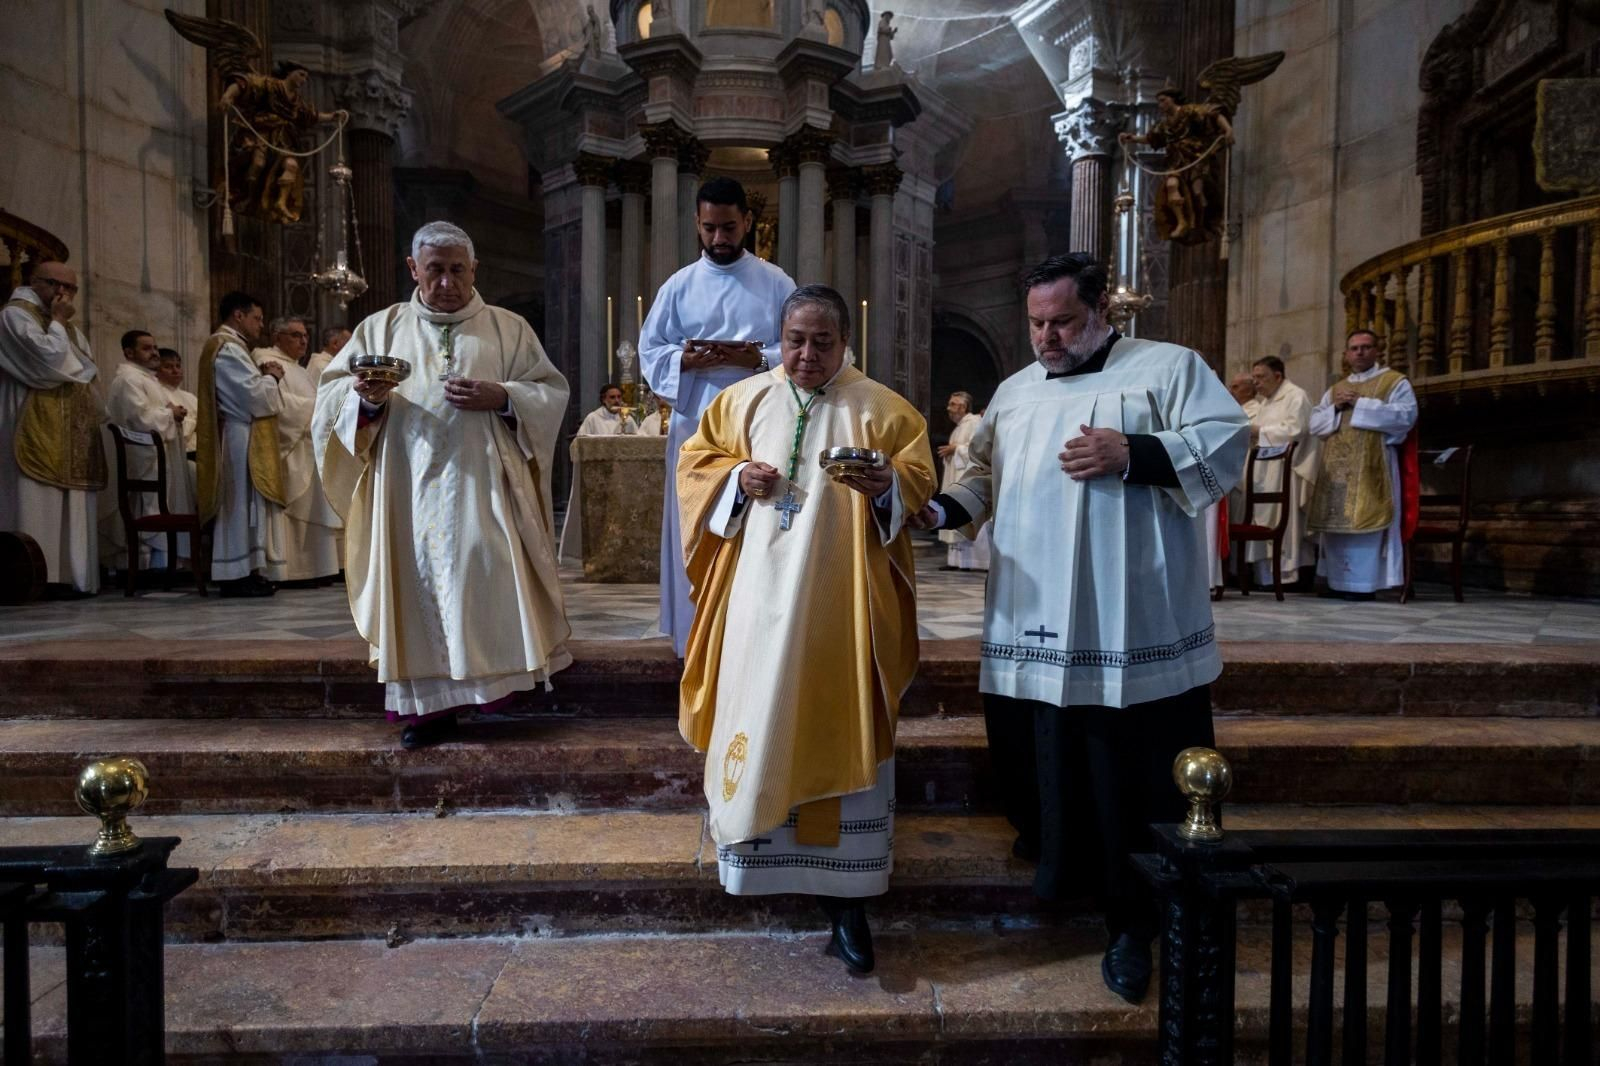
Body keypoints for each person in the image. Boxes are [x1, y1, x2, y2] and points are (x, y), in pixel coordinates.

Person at [909, 253, 1249, 1004]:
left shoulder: (1167, 367)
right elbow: (982, 477)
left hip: (1129, 614)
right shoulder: (1016, 391)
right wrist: (937, 511)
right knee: (1041, 753)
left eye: (1062, 320)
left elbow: (1228, 442)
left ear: (1103, 311)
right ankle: (1057, 872)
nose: (1047, 337)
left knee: (1125, 764)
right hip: (1031, 612)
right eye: (1035, 322)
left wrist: (1134, 451)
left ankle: (1134, 917)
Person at [678, 284, 933, 975]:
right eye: (796, 339)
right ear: (779, 336)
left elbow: (918, 481)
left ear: (846, 342)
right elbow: (696, 467)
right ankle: (754, 862)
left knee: (833, 714)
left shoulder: (884, 409)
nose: (807, 354)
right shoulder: (741, 401)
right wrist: (735, 479)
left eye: (823, 342)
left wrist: (889, 490)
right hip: (754, 604)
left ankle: (847, 900)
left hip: (838, 605)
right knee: (757, 716)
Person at [313, 221, 573, 749]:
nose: (448, 282)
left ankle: (494, 689)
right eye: (435, 270)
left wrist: (503, 397)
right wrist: (367, 400)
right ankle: (427, 712)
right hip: (405, 493)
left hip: (485, 487)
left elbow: (549, 392)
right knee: (417, 592)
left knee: (486, 572)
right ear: (414, 269)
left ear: (475, 270)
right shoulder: (379, 329)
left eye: (458, 269)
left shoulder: (507, 328)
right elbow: (328, 404)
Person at [641, 176, 795, 656]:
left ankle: (757, 643)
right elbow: (651, 351)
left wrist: (755, 358)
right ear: (697, 224)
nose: (719, 238)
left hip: (760, 425)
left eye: (729, 227)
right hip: (696, 431)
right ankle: (696, 641)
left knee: (757, 528)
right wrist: (685, 360)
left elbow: (796, 349)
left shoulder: (776, 283)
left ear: (748, 222)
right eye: (709, 228)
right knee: (699, 525)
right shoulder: (678, 286)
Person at [0, 260, 103, 597]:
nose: (64, 294)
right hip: (33, 418)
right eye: (56, 285)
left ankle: (71, 576)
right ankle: (35, 577)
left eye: (71, 288)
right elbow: (48, 363)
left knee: (71, 499)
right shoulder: (15, 315)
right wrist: (58, 322)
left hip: (70, 424)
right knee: (37, 496)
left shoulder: (70, 328)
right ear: (34, 281)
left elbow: (86, 367)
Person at [1307, 329, 1418, 600]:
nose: (1359, 352)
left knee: (1367, 523)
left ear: (1376, 351)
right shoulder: (1336, 389)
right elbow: (1314, 425)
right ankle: (1337, 582)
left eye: (1366, 347)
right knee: (1337, 525)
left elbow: (1406, 416)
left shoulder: (1394, 382)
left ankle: (1363, 586)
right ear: (1346, 354)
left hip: (1373, 466)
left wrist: (1361, 403)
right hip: (1338, 470)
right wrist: (1334, 407)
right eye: (1354, 348)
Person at [197, 291, 287, 597]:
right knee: (237, 507)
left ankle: (248, 570)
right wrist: (272, 378)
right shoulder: (227, 348)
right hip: (238, 437)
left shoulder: (233, 348)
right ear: (238, 315)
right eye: (257, 318)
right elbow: (257, 399)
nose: (260, 325)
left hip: (243, 435)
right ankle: (234, 575)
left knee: (246, 507)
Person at [253, 317, 341, 584]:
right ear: (277, 336)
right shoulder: (264, 360)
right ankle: (293, 571)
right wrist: (316, 409)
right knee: (296, 507)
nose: (303, 340)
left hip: (309, 446)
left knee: (314, 505)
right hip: (291, 448)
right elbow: (276, 402)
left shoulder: (300, 370)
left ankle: (316, 568)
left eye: (304, 335)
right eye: (295, 335)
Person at [103, 329, 193, 570]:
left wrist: (173, 413)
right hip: (142, 460)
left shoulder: (145, 379)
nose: (154, 352)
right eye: (146, 348)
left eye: (154, 347)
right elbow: (138, 419)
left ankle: (163, 564)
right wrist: (170, 413)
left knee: (161, 505)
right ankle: (145, 567)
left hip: (157, 457)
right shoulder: (128, 380)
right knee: (146, 508)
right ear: (128, 352)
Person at [1242, 356, 1318, 587]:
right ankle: (1266, 578)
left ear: (1278, 376)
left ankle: (1290, 577)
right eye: (1254, 378)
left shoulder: (1296, 396)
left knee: (1287, 526)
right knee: (1264, 519)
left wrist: (1258, 430)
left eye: (1261, 377)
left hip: (1287, 470)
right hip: (1266, 471)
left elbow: (1296, 430)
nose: (1256, 383)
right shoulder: (1266, 402)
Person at [936, 390, 990, 571]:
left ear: (963, 406)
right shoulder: (960, 426)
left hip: (968, 481)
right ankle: (957, 561)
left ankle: (974, 562)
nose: (948, 408)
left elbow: (979, 450)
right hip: (955, 477)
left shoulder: (974, 423)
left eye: (953, 404)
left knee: (968, 515)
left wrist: (956, 449)